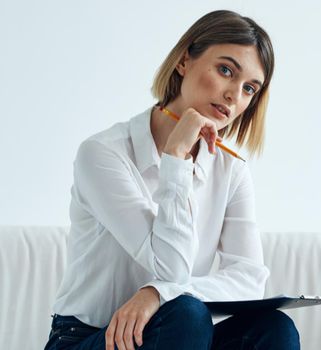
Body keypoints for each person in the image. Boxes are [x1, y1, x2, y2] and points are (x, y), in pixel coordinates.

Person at [43, 9, 300, 350]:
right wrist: (176, 159)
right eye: (226, 70)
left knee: (273, 327)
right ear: (183, 61)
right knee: (187, 316)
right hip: (89, 338)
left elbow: (250, 279)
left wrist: (157, 294)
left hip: (175, 334)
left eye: (249, 88)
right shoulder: (102, 154)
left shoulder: (231, 172)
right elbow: (170, 266)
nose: (233, 95)